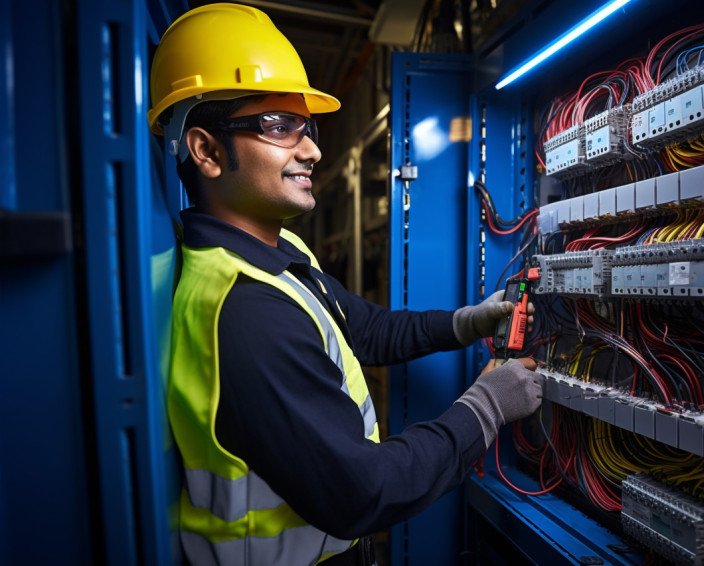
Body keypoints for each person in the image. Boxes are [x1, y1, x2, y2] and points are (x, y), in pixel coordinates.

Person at [148, 4, 543, 565]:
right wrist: (486, 409)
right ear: (207, 151)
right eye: (278, 126)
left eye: (306, 127)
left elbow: (368, 329)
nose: (311, 149)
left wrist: (470, 320)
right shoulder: (242, 310)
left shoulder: (276, 252)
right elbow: (363, 490)